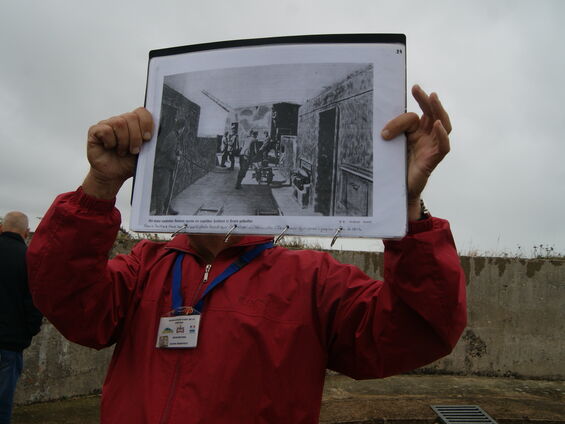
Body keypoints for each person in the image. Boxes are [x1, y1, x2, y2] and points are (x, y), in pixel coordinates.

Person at [27, 85, 466, 424]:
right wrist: (99, 187)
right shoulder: (146, 265)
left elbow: (418, 330)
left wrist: (404, 205)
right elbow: (68, 301)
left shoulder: (314, 279)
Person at [0, 212, 42, 424]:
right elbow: (35, 303)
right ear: (26, 233)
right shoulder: (29, 260)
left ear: (1, 228)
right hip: (10, 344)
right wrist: (28, 331)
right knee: (2, 403)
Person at [152, 118, 185, 215]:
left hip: (167, 167)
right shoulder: (173, 136)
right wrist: (176, 158)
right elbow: (169, 154)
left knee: (168, 189)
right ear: (182, 128)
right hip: (163, 167)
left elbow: (169, 149)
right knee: (163, 190)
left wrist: (177, 152)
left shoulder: (174, 135)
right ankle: (158, 213)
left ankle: (168, 208)